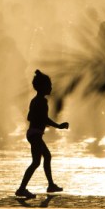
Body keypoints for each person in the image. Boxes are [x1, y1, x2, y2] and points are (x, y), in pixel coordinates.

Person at [15, 70, 67, 199]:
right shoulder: (42, 102)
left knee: (46, 157)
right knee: (36, 162)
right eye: (49, 85)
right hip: (35, 134)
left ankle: (50, 185)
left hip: (33, 133)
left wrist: (40, 120)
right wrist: (59, 126)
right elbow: (44, 119)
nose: (51, 88)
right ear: (42, 87)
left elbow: (29, 117)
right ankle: (22, 189)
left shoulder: (34, 100)